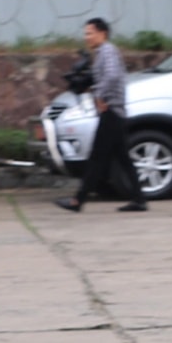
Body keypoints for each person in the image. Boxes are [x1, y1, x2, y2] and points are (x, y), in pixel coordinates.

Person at [55, 17, 145, 213]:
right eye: (85, 33)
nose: (86, 37)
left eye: (89, 33)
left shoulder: (108, 51)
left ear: (102, 33)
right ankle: (139, 199)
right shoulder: (102, 52)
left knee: (97, 157)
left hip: (111, 111)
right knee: (123, 158)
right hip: (115, 111)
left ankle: (78, 200)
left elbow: (112, 76)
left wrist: (99, 96)